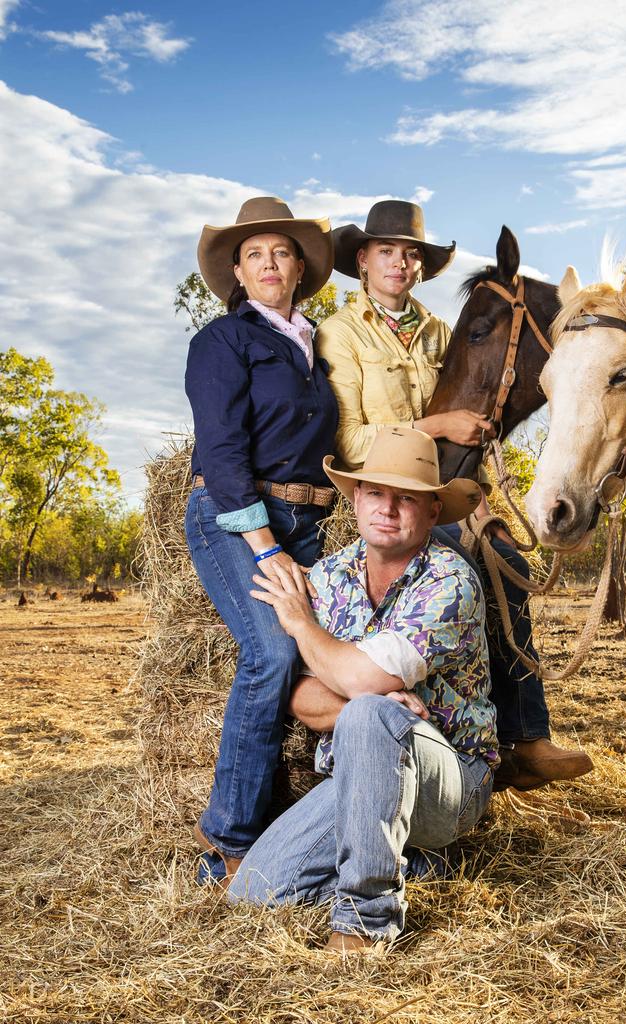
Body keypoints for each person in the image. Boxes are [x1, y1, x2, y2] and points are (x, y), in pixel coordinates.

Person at [315, 200, 592, 789]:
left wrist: (483, 510)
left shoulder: (443, 334)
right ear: (362, 260)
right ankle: (463, 737)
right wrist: (435, 429)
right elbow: (349, 439)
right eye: (387, 251)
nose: (400, 262)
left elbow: (471, 426)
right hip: (375, 494)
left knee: (504, 558)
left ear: (421, 267)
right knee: (458, 570)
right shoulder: (339, 333)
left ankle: (524, 737)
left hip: (435, 495)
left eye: (411, 253)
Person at [227, 427, 498, 951]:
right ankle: (411, 859)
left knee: (371, 713)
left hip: (451, 779)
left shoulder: (450, 582)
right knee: (253, 893)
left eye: (406, 498)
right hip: (358, 779)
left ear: (434, 510)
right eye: (375, 492)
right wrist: (361, 699)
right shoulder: (327, 579)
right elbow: (298, 695)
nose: (387, 509)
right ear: (355, 498)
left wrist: (306, 629)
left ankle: (366, 921)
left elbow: (364, 681)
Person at [185, 196, 339, 886]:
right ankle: (230, 838)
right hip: (235, 515)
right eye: (255, 255)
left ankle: (304, 810)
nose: (269, 264)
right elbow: (220, 456)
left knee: (327, 654)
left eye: (281, 252)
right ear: (238, 276)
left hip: (310, 520)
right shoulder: (222, 343)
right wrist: (268, 548)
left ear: (300, 267)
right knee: (273, 651)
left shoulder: (318, 345)